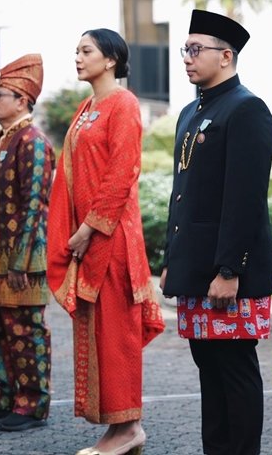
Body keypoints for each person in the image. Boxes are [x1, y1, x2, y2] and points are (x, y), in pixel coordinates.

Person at [160, 11, 272, 455]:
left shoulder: (247, 109)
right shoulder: (192, 111)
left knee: (235, 368)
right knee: (207, 366)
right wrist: (172, 262)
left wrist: (230, 269)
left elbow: (245, 199)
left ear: (226, 56)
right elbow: (182, 195)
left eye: (196, 49)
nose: (187, 59)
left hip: (227, 272)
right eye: (185, 50)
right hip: (195, 268)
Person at [47, 30, 164, 454]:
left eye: (86, 51)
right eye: (76, 50)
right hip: (90, 239)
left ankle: (129, 428)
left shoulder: (124, 104)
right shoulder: (86, 108)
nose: (77, 57)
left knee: (118, 335)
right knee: (100, 332)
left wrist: (88, 228)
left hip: (111, 239)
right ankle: (116, 429)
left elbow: (123, 171)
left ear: (111, 59)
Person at [0, 54, 55, 433]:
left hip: (20, 261)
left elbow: (36, 206)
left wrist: (20, 261)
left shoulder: (32, 142)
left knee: (24, 329)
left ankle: (32, 403)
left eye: (0, 94)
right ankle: (6, 393)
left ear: (22, 101)